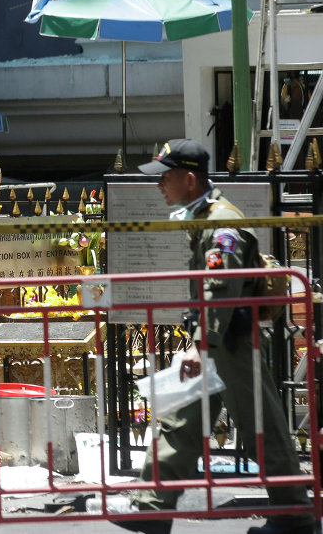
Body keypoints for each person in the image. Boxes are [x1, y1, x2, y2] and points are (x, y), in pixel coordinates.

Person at [114, 139, 314, 534]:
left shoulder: (221, 223)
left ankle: (293, 516)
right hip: (219, 343)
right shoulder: (206, 216)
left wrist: (201, 345)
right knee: (179, 421)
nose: (160, 187)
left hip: (231, 345)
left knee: (263, 428)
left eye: (166, 178)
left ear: (189, 180)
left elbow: (219, 289)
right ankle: (151, 508)